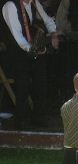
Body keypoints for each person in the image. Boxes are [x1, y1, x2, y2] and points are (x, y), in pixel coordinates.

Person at [2, 0, 59, 129]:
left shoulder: (34, 3)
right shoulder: (10, 6)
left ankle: (39, 117)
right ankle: (21, 120)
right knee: (22, 85)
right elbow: (17, 36)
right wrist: (33, 50)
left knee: (41, 83)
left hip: (31, 50)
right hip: (16, 53)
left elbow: (48, 20)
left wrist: (54, 33)